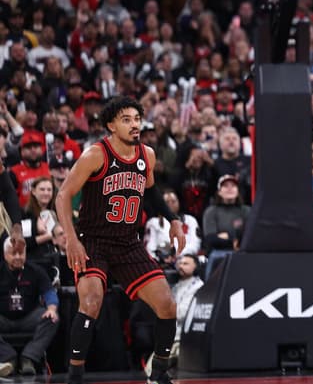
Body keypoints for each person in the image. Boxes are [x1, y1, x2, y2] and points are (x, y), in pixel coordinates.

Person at [54, 96, 184, 384]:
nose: (135, 124)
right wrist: (71, 239)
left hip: (128, 242)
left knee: (167, 305)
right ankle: (74, 376)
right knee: (91, 302)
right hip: (93, 240)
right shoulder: (95, 155)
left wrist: (173, 219)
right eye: (127, 119)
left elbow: (150, 193)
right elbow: (62, 195)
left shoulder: (146, 155)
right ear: (111, 125)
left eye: (137, 118)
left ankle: (160, 373)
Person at [0, 236, 59, 376]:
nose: (18, 257)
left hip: (28, 318)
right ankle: (8, 358)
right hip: (3, 318)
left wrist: (51, 308)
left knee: (52, 318)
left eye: (21, 253)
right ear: (5, 254)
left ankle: (29, 358)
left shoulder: (36, 271)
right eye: (13, 253)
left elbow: (49, 292)